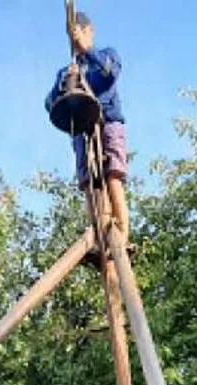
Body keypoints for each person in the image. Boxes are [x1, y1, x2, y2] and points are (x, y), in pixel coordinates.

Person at [45, 10, 130, 244]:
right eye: (73, 36)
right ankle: (98, 235)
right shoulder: (66, 71)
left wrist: (87, 51)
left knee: (113, 175)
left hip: (108, 122)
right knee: (89, 184)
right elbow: (49, 103)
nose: (77, 39)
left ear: (89, 31)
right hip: (81, 129)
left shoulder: (105, 55)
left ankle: (121, 236)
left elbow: (110, 74)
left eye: (80, 33)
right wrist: (64, 84)